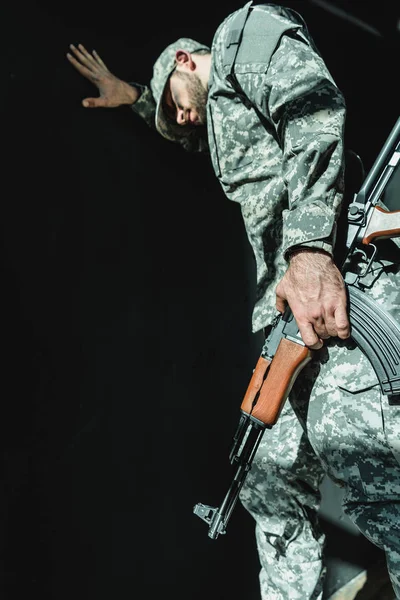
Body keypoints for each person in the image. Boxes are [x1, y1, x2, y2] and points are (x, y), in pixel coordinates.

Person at [66, 2, 400, 598]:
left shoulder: (240, 37)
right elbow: (193, 124)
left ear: (187, 58)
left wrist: (309, 252)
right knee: (266, 478)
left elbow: (312, 108)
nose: (181, 118)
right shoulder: (216, 120)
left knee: (371, 467)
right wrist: (140, 97)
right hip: (287, 314)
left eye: (177, 102)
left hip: (331, 280)